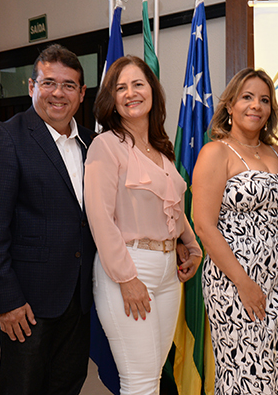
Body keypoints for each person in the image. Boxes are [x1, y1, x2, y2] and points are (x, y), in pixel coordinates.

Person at [0, 44, 96, 394]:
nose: (58, 93)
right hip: (26, 302)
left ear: (81, 93)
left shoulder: (92, 143)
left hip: (78, 298)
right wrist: (7, 300)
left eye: (69, 85)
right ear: (32, 87)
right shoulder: (5, 137)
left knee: (67, 385)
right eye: (49, 83)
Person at [84, 55, 202, 395]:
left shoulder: (160, 150)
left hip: (168, 272)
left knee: (153, 375)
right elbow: (100, 219)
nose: (131, 93)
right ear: (112, 100)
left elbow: (173, 206)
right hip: (129, 268)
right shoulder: (105, 146)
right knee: (140, 381)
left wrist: (192, 245)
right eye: (121, 88)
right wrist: (126, 278)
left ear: (152, 91)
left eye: (138, 84)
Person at [193, 68, 278, 395]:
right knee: (245, 373)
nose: (256, 106)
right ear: (230, 105)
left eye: (264, 100)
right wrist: (244, 283)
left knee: (274, 370)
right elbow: (204, 225)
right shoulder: (216, 152)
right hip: (234, 282)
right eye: (247, 97)